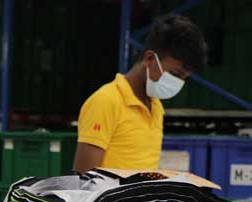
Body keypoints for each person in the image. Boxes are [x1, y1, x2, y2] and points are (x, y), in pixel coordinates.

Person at [72, 15, 207, 173]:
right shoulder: (106, 101)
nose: (178, 82)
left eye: (184, 78)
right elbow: (83, 178)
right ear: (149, 59)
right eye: (176, 73)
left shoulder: (156, 107)